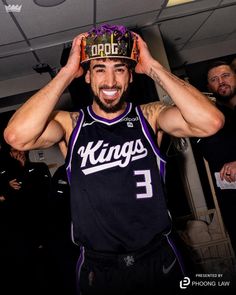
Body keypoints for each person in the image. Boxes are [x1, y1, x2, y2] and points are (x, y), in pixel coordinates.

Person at [4, 24, 224, 294]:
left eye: (119, 68)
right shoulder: (71, 124)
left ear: (130, 76)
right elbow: (16, 136)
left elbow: (210, 122)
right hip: (100, 266)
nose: (110, 81)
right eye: (100, 69)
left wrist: (154, 67)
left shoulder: (150, 116)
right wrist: (66, 73)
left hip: (159, 257)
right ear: (87, 77)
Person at [192, 60, 236, 253]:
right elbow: (214, 153)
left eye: (225, 75)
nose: (221, 82)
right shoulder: (209, 119)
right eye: (214, 79)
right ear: (209, 87)